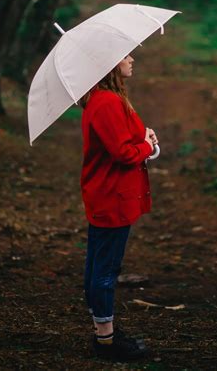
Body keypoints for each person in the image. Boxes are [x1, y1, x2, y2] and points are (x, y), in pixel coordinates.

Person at [80, 54, 158, 361]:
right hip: (112, 197)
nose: (132, 58)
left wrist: (144, 140)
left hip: (107, 195)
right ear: (110, 64)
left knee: (98, 264)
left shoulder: (104, 100)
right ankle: (106, 341)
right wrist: (147, 147)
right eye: (125, 55)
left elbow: (125, 142)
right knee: (105, 269)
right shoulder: (108, 102)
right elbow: (123, 153)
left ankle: (104, 329)